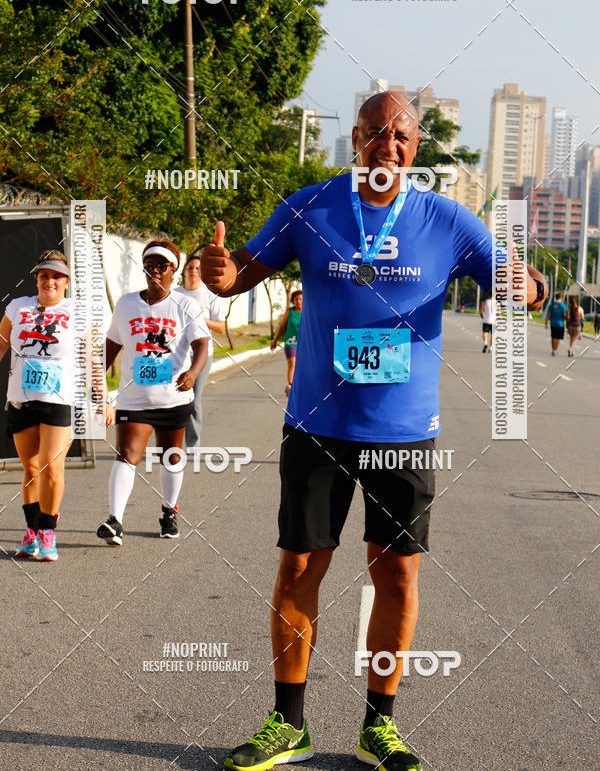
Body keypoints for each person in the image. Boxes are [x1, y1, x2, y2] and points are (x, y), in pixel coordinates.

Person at [202, 90, 547, 771]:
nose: (388, 145)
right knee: (299, 566)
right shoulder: (310, 206)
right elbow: (241, 269)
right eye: (375, 133)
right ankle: (287, 722)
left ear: (415, 148)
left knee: (396, 578)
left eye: (402, 136)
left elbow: (523, 277)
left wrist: (526, 287)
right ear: (354, 138)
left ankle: (378, 727)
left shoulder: (447, 219)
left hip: (403, 431)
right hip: (317, 424)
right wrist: (217, 273)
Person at [97, 239, 209, 546]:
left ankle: (168, 512)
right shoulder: (126, 303)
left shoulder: (186, 305)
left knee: (170, 457)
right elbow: (111, 346)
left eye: (162, 266)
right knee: (127, 455)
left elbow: (202, 346)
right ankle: (115, 520)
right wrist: (97, 385)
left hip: (173, 397)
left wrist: (192, 372)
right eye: (150, 265)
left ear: (174, 270)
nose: (156, 271)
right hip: (134, 399)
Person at [0, 251, 74, 561]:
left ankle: (47, 532)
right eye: (44, 275)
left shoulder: (78, 311)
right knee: (30, 469)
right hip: (21, 399)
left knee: (50, 467)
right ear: (36, 279)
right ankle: (31, 533)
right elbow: (2, 343)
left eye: (57, 276)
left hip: (58, 402)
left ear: (66, 282)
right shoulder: (18, 307)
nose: (50, 281)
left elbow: (93, 360)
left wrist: (104, 400)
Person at [175, 254, 226, 448]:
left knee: (194, 399)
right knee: (174, 399)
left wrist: (199, 319)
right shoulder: (174, 294)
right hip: (178, 354)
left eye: (197, 268)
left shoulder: (209, 295)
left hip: (202, 355)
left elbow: (221, 326)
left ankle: (193, 444)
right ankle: (173, 442)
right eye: (190, 268)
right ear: (184, 272)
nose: (193, 271)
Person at [271, 290, 302, 395]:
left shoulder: (307, 312)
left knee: (301, 366)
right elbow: (282, 327)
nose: (298, 301)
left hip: (303, 344)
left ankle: (300, 386)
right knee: (292, 363)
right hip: (290, 342)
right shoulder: (290, 311)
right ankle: (290, 386)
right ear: (293, 301)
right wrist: (274, 341)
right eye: (296, 299)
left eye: (301, 299)